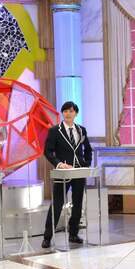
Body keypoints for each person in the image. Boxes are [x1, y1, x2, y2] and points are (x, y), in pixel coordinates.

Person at [42, 101, 93, 249]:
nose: (68, 114)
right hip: (62, 173)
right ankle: (47, 237)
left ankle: (73, 234)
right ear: (62, 113)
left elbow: (88, 149)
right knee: (57, 204)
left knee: (78, 204)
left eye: (71, 111)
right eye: (65, 111)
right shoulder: (54, 131)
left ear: (75, 113)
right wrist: (59, 164)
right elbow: (48, 151)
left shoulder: (81, 130)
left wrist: (86, 163)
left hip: (78, 172)